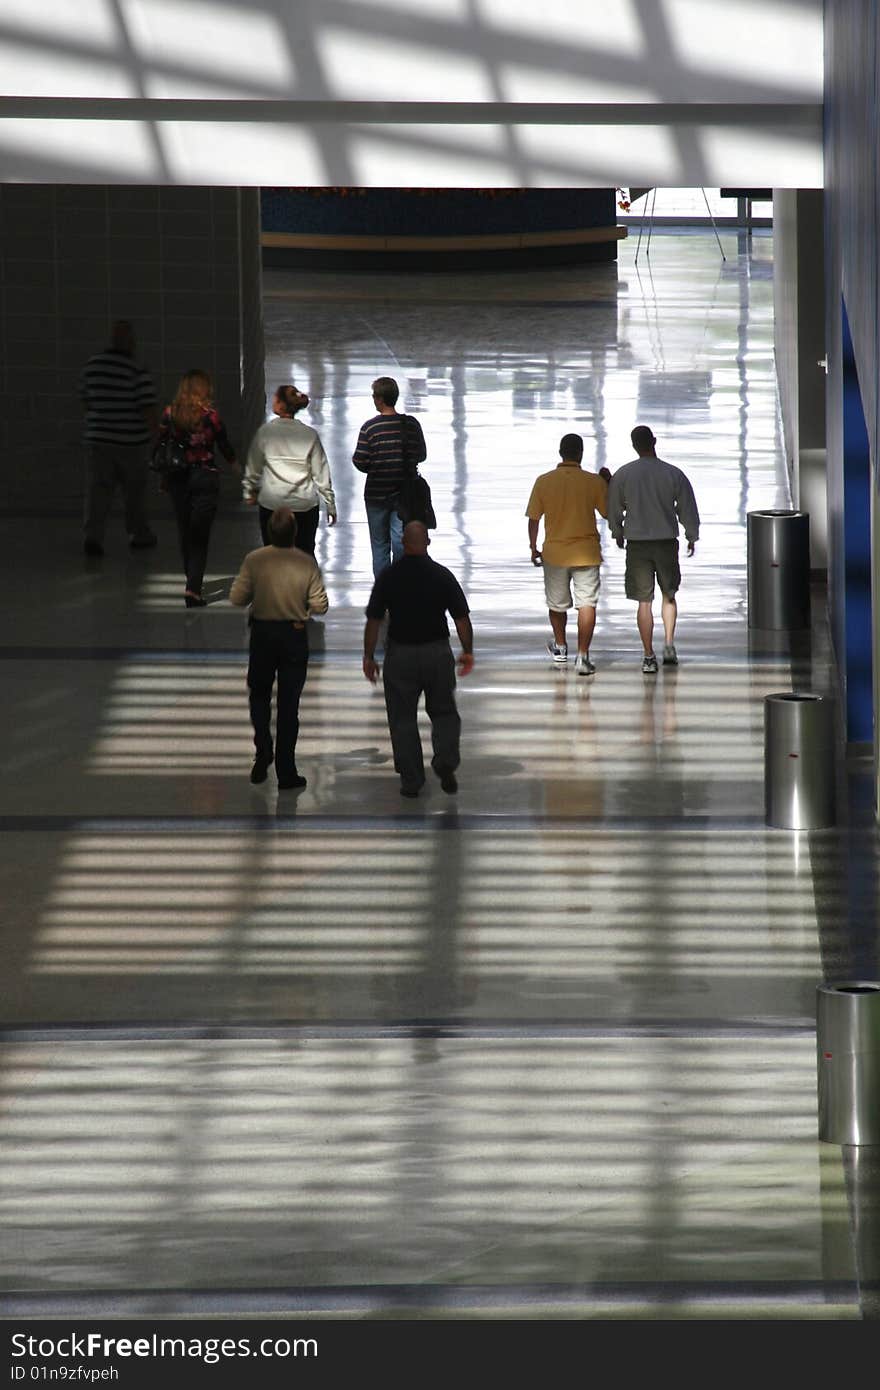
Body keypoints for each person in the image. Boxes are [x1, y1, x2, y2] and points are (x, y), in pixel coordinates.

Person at [363, 521, 473, 798]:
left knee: (402, 718)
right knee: (444, 712)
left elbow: (374, 620)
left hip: (400, 655)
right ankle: (446, 761)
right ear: (427, 542)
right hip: (437, 653)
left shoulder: (389, 576)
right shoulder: (442, 575)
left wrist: (368, 656)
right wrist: (467, 650)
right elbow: (461, 618)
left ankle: (412, 780)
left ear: (405, 543)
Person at [228, 506, 329, 790]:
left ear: (270, 531)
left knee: (258, 694)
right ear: (295, 532)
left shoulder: (255, 560)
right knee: (289, 704)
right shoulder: (306, 562)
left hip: (262, 634)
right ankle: (287, 771)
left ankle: (263, 748)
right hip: (294, 636)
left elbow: (237, 597)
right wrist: (303, 606)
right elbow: (321, 605)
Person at [607, 425, 700, 672]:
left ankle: (648, 655)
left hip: (637, 544)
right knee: (669, 594)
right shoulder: (673, 473)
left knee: (643, 602)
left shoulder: (624, 474)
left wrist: (617, 533)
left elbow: (614, 507)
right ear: (654, 441)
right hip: (666, 542)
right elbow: (687, 507)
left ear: (634, 445)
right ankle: (669, 645)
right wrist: (692, 535)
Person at [525, 433, 612, 676]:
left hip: (555, 553)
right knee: (587, 604)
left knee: (557, 603)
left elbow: (534, 518)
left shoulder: (544, 481)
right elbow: (608, 514)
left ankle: (561, 647)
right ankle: (583, 656)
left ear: (560, 452)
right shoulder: (593, 482)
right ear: (581, 454)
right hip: (586, 554)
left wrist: (533, 547)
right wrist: (607, 484)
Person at [157, 369, 238, 607]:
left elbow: (163, 446)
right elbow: (224, 445)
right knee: (200, 536)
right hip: (205, 478)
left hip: (177, 478)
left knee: (185, 532)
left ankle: (190, 578)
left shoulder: (169, 415)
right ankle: (193, 588)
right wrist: (238, 469)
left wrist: (163, 478)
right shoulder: (210, 417)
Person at [78, 320, 158, 556]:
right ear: (130, 341)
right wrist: (157, 438)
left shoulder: (92, 367)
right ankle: (138, 534)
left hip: (99, 442)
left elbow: (85, 400)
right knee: (134, 494)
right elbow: (147, 409)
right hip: (131, 444)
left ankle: (93, 537)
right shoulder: (136, 369)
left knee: (97, 492)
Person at [243, 383, 337, 553]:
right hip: (304, 505)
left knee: (272, 555)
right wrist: (330, 504)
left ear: (280, 404)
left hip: (272, 504)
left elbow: (253, 467)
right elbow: (321, 473)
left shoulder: (265, 433)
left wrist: (249, 491)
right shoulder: (309, 434)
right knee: (304, 555)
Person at [353, 376, 427, 577]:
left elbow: (359, 460)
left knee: (379, 546)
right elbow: (421, 454)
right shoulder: (411, 425)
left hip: (376, 495)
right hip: (405, 495)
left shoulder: (369, 428)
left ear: (379, 399)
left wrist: (377, 465)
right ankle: (401, 589)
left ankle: (384, 594)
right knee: (401, 541)